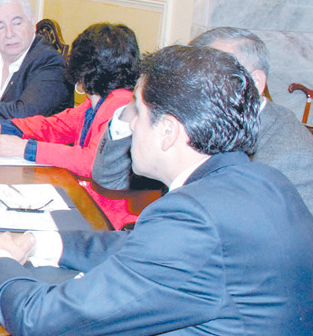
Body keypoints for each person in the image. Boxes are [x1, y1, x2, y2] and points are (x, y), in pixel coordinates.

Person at [0, 45, 313, 336]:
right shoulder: (261, 184)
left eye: (137, 111)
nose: (129, 124)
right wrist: (39, 241)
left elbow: (43, 321)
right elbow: (145, 251)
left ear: (169, 131)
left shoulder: (195, 218)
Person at [93, 26, 313, 211]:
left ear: (255, 83)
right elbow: (110, 179)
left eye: (215, 74)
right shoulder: (187, 119)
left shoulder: (292, 154)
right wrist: (137, 103)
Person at [0, 23, 140, 228]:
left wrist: (25, 149)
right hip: (86, 204)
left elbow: (91, 162)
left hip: (104, 218)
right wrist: (6, 127)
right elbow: (56, 126)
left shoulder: (120, 105)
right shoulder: (99, 102)